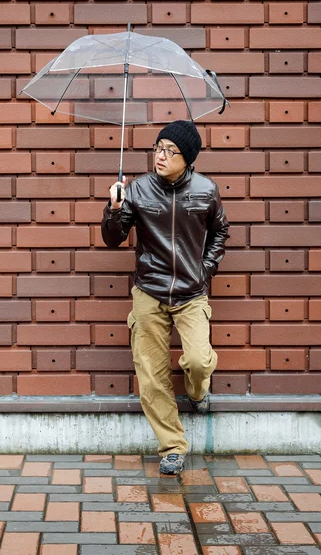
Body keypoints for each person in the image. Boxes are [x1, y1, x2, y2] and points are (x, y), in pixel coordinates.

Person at [101, 120, 229, 475]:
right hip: (150, 291)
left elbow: (220, 232)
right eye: (158, 147)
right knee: (152, 374)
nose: (160, 155)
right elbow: (114, 238)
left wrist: (204, 269)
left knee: (200, 361)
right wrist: (114, 208)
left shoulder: (206, 190)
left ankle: (198, 393)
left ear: (187, 158)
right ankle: (172, 446)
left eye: (170, 151)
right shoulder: (138, 189)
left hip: (191, 292)